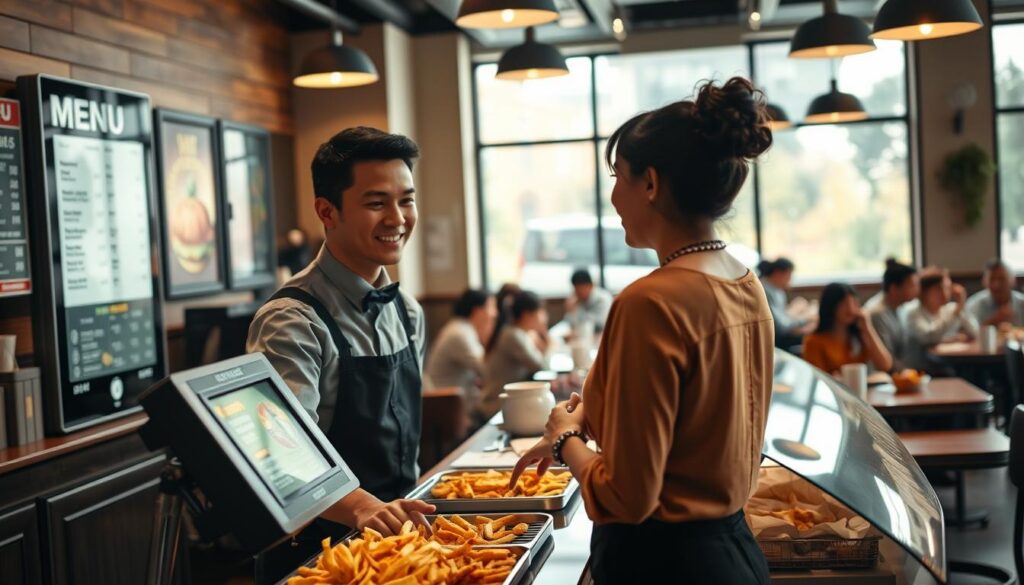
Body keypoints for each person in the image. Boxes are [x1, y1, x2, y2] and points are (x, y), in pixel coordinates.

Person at [512, 77, 774, 584]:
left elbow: (626, 498)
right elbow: (689, 417)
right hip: (734, 552)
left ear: (650, 184)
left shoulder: (649, 300)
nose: (612, 195)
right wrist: (588, 413)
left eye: (618, 176)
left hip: (665, 564)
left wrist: (564, 437)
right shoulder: (745, 281)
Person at [246, 127, 434, 578]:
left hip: (401, 550)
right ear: (326, 211)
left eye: (406, 200)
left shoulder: (408, 312)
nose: (397, 218)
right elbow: (280, 457)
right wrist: (362, 508)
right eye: (376, 203)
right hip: (320, 557)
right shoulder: (293, 320)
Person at [479, 290, 549, 423]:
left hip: (511, 402)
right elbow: (541, 367)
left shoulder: (516, 333)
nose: (544, 317)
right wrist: (546, 338)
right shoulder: (513, 336)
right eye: (540, 312)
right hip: (498, 406)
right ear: (527, 315)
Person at [424, 289, 497, 408]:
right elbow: (488, 369)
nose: (495, 313)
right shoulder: (460, 333)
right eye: (492, 307)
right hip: (448, 407)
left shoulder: (461, 328)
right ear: (477, 311)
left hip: (458, 402)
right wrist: (490, 336)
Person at [802, 283, 893, 375]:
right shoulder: (814, 341)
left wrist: (867, 327)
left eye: (854, 303)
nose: (850, 309)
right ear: (830, 306)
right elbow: (818, 378)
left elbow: (885, 365)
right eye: (844, 304)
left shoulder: (860, 336)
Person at [904, 268, 979, 373]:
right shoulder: (913, 313)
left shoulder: (950, 309)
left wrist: (962, 307)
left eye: (947, 288)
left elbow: (976, 333)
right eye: (939, 289)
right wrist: (956, 313)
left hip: (950, 365)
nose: (945, 293)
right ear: (924, 291)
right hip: (922, 370)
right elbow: (928, 337)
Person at [866, 259, 919, 370]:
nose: (917, 290)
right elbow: (887, 359)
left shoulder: (901, 307)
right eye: (912, 285)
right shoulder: (877, 313)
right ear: (894, 288)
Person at [759, 257, 815, 350]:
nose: (790, 280)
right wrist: (806, 318)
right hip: (775, 339)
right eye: (789, 276)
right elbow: (781, 327)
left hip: (780, 333)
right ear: (778, 273)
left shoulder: (777, 290)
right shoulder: (764, 290)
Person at [966, 258, 1024, 327]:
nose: (996, 285)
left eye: (1001, 279)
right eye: (992, 279)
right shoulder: (974, 304)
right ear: (984, 282)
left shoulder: (1022, 303)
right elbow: (968, 333)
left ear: (1013, 281)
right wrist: (994, 321)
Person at [563, 268, 613, 333]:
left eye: (581, 289)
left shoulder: (603, 298)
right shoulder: (576, 300)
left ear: (591, 286)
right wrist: (570, 311)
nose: (578, 293)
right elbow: (569, 324)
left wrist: (578, 313)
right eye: (576, 290)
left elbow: (601, 324)